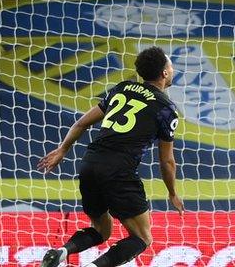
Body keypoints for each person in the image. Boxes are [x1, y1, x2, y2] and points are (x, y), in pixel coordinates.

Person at [36, 46, 184, 267]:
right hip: (119, 171)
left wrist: (63, 149)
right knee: (143, 238)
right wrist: (172, 192)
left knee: (101, 230)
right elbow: (167, 161)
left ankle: (62, 251)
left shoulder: (122, 89)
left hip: (90, 164)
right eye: (170, 66)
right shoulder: (166, 110)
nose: (172, 69)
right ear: (164, 73)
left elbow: (81, 123)